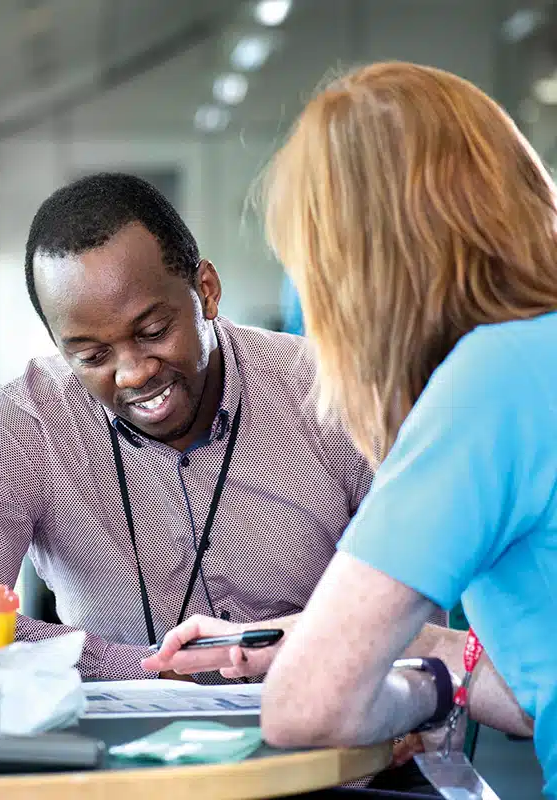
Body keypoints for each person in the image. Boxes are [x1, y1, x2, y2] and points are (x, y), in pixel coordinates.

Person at [143, 62, 556, 797]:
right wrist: (410, 655)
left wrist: (367, 675)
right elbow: (538, 689)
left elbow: (307, 707)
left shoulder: (491, 383)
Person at [0, 172, 387, 686]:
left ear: (207, 291)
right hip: (123, 759)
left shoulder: (333, 395)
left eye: (154, 332)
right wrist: (140, 671)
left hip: (325, 753)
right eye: (92, 355)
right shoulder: (23, 426)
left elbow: (409, 614)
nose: (133, 373)